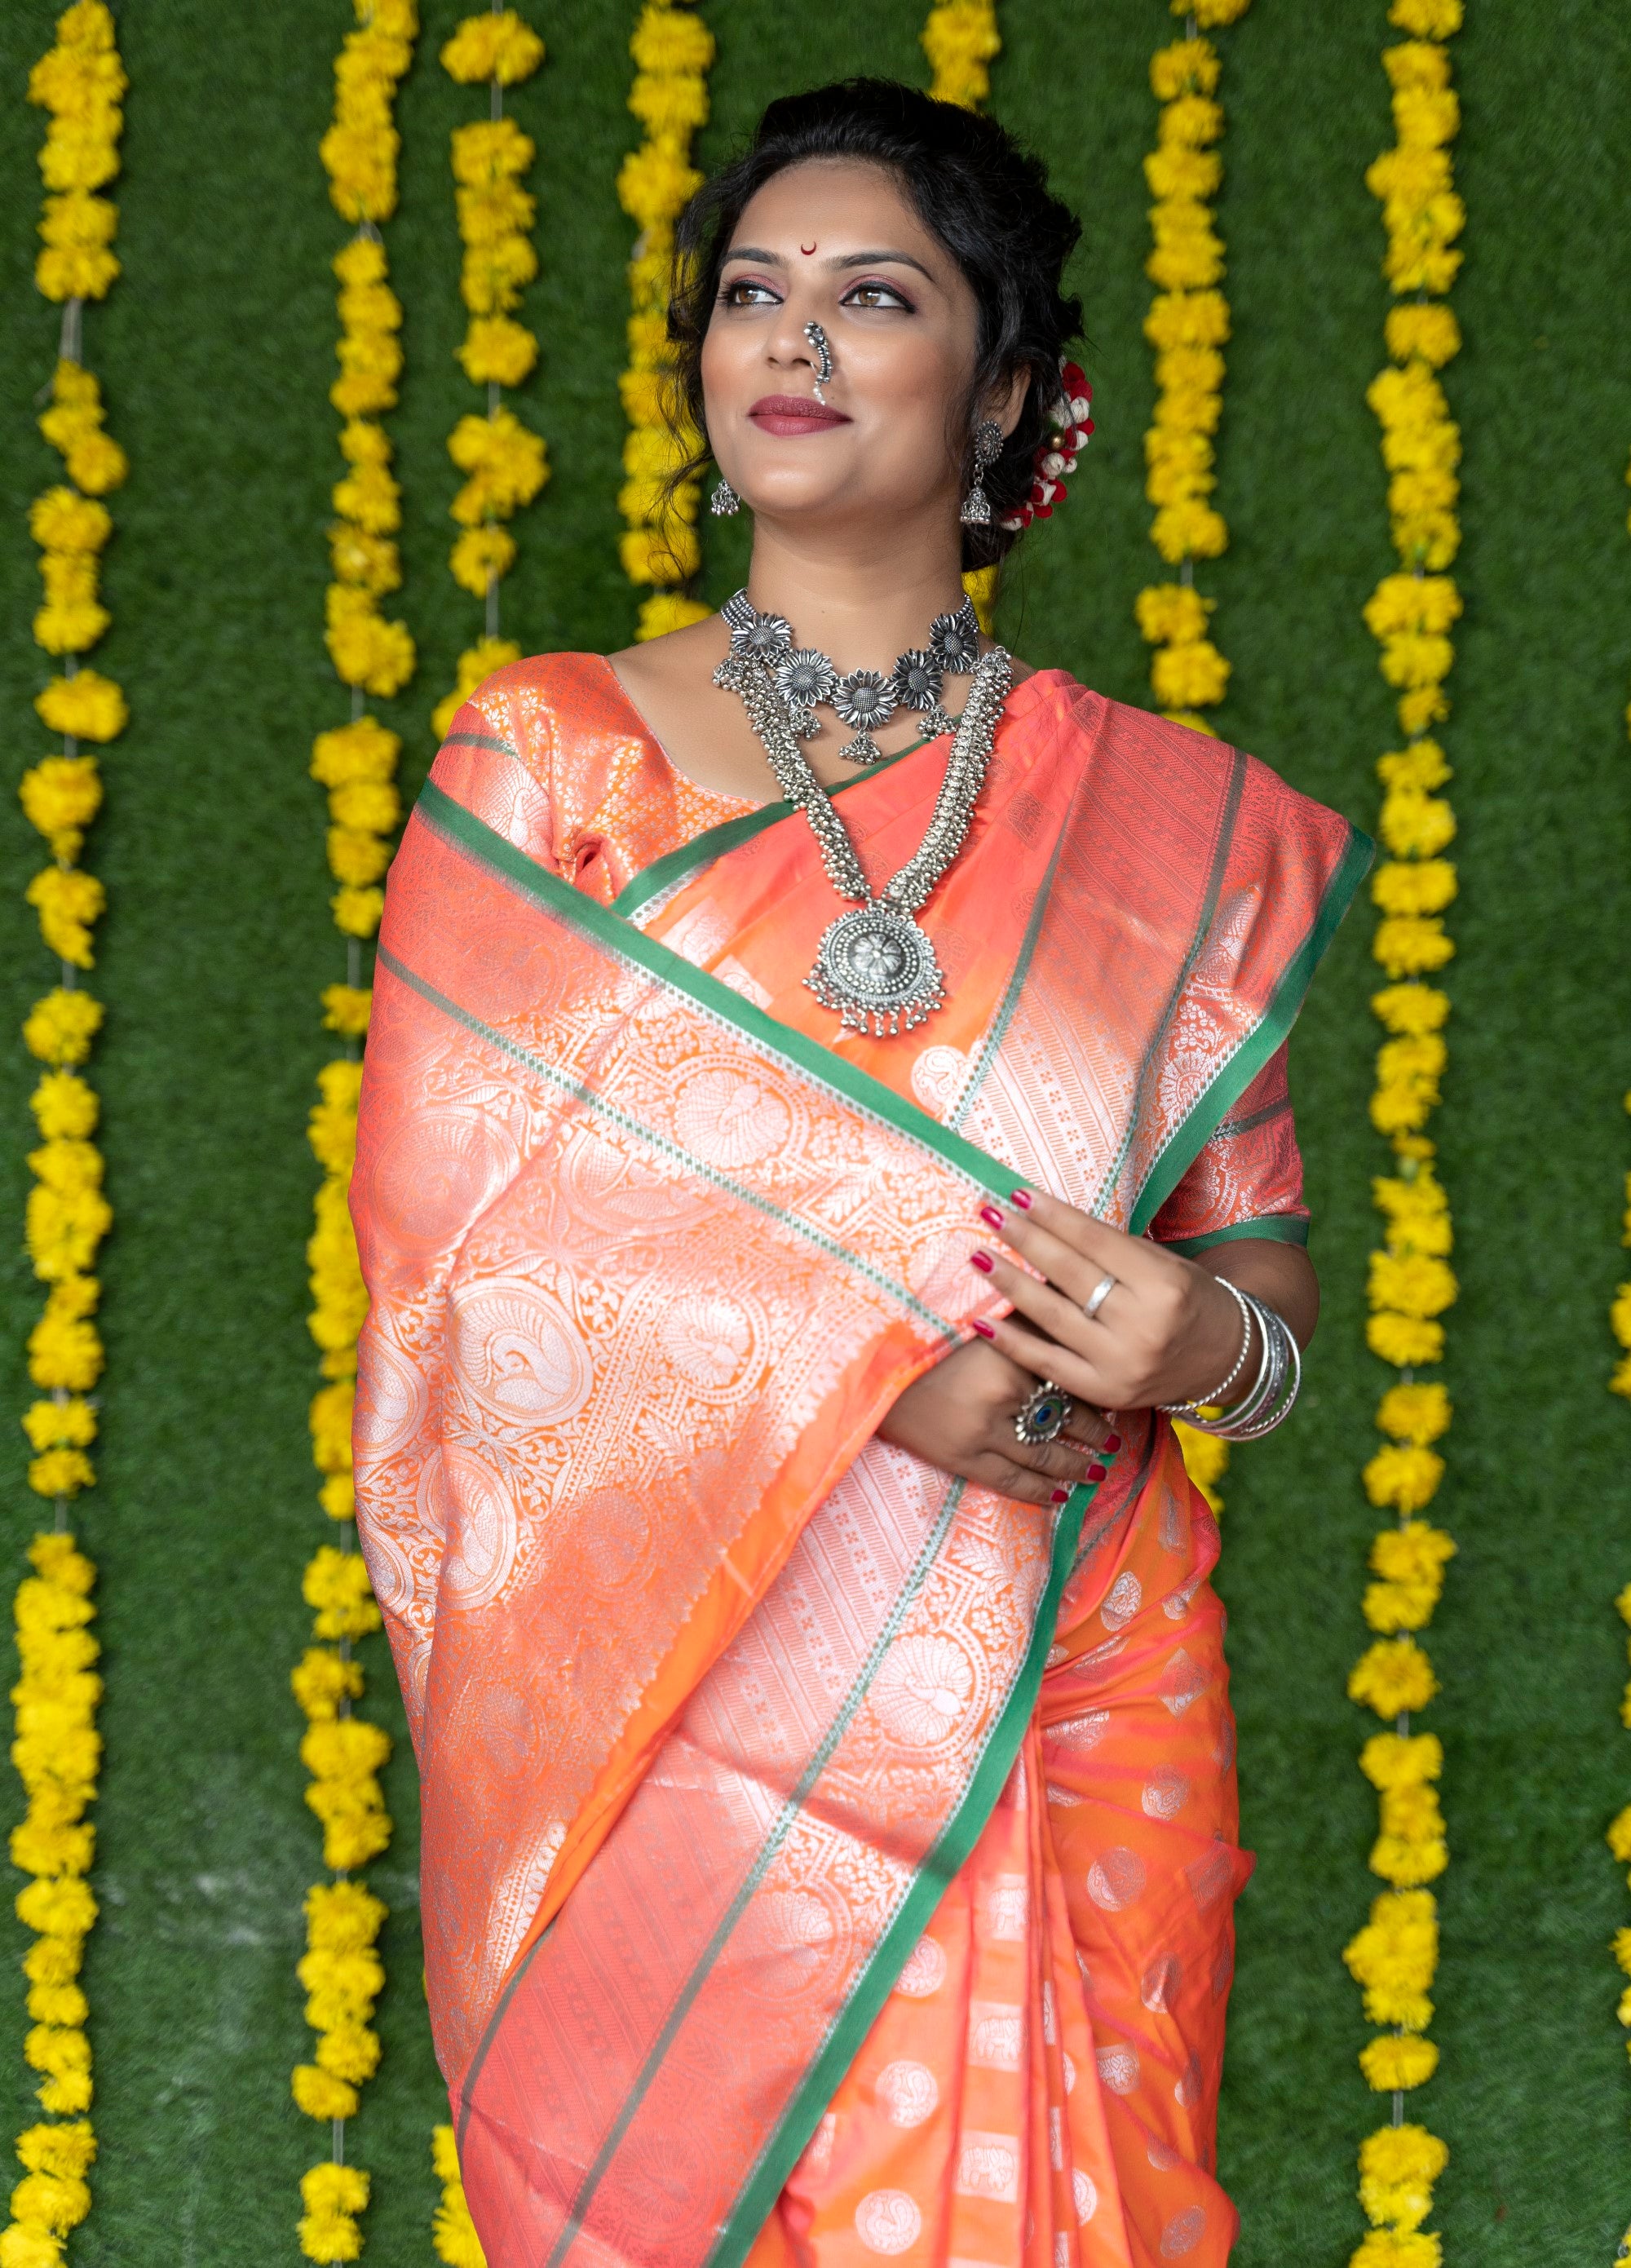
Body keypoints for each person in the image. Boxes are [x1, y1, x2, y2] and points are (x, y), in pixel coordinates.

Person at [351, 77, 1368, 2268]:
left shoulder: (1168, 833)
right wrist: (885, 1374)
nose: (789, 345)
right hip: (680, 1717)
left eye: (872, 297)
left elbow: (1256, 1274)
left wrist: (1209, 1352)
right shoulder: (553, 766)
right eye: (751, 298)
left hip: (1064, 1679)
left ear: (1005, 391)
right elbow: (466, 1261)